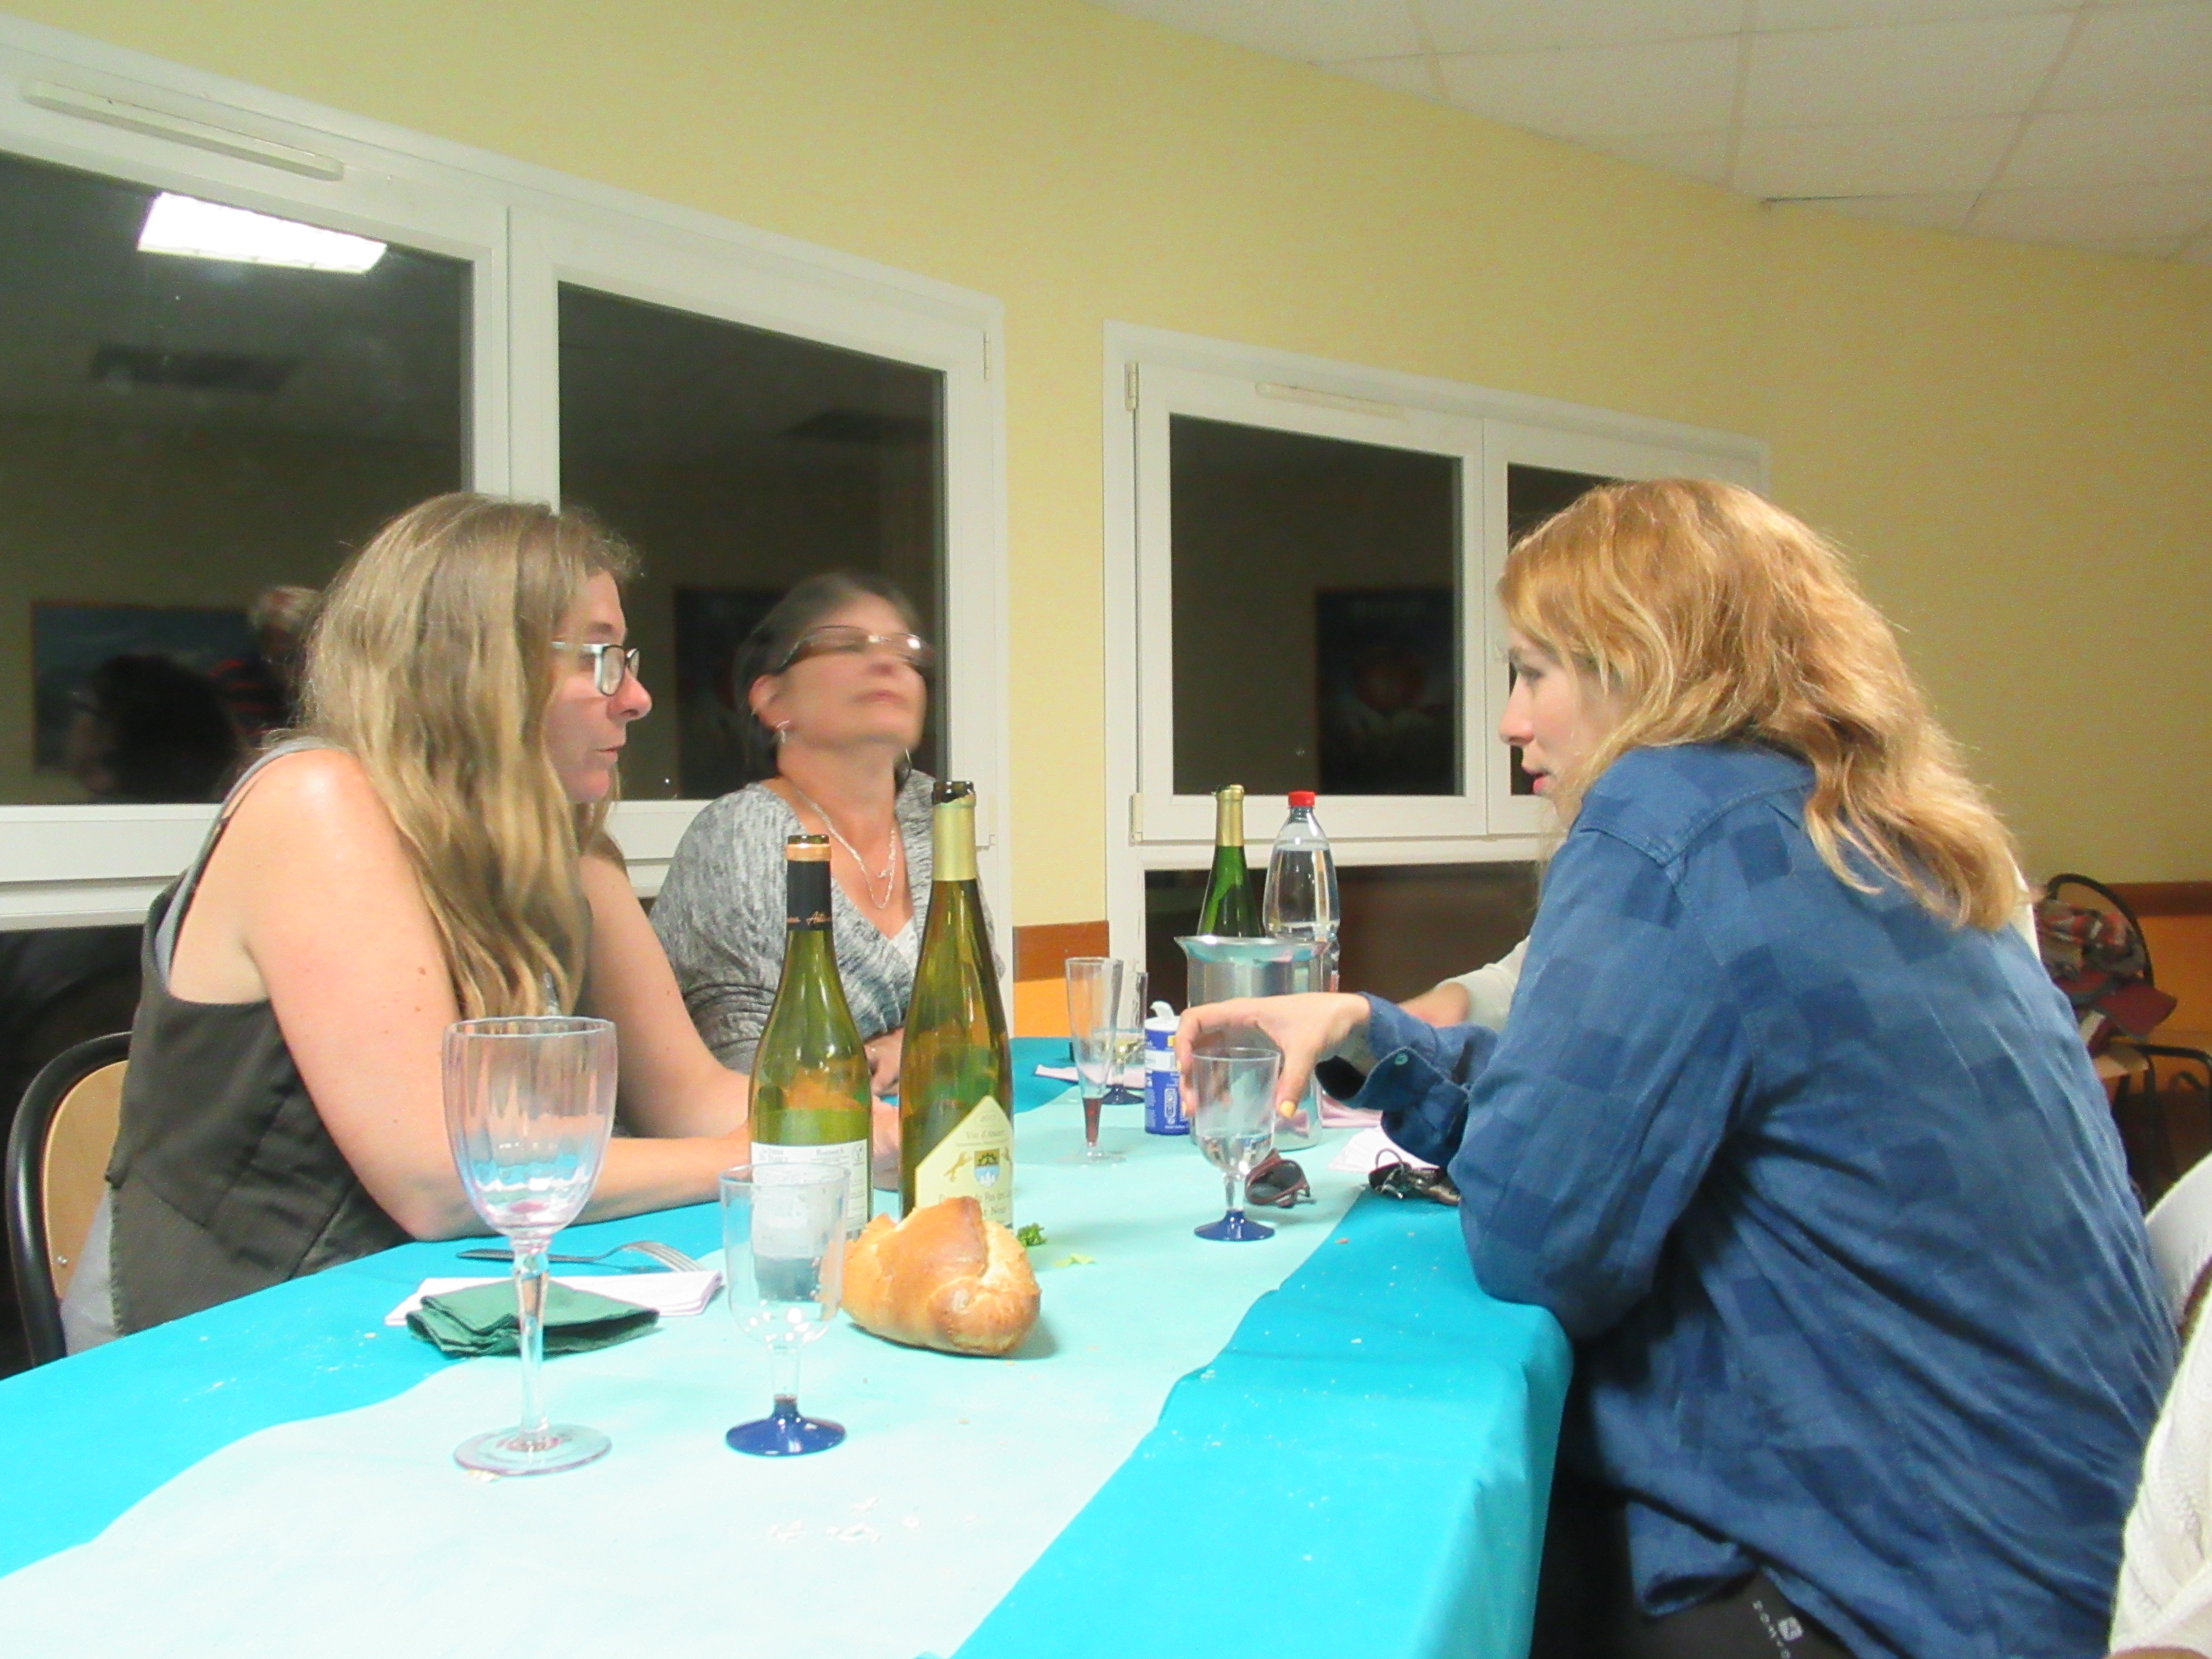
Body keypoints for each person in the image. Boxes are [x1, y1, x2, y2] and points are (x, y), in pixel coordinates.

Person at [1181, 478, 2171, 1658]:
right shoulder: (1876, 820)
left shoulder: (1666, 816)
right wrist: (1374, 1032)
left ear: (1643, 664)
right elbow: (1617, 1107)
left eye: (1534, 672)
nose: (1510, 721)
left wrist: (1429, 1078)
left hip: (1910, 1592)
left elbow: (1540, 1237)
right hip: (2095, 1552)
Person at [64, 494, 752, 1347]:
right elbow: (441, 1178)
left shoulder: (564, 845)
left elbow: (693, 1097)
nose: (638, 698)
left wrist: (861, 1117)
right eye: (599, 658)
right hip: (226, 1335)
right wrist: (760, 1156)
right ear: (474, 663)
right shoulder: (314, 802)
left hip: (435, 1308)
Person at [653, 573, 937, 1114]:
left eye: (905, 650)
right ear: (772, 699)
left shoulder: (934, 815)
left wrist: (908, 1044)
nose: (886, 662)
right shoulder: (739, 835)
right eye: (846, 644)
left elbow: (976, 1013)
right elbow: (750, 1068)